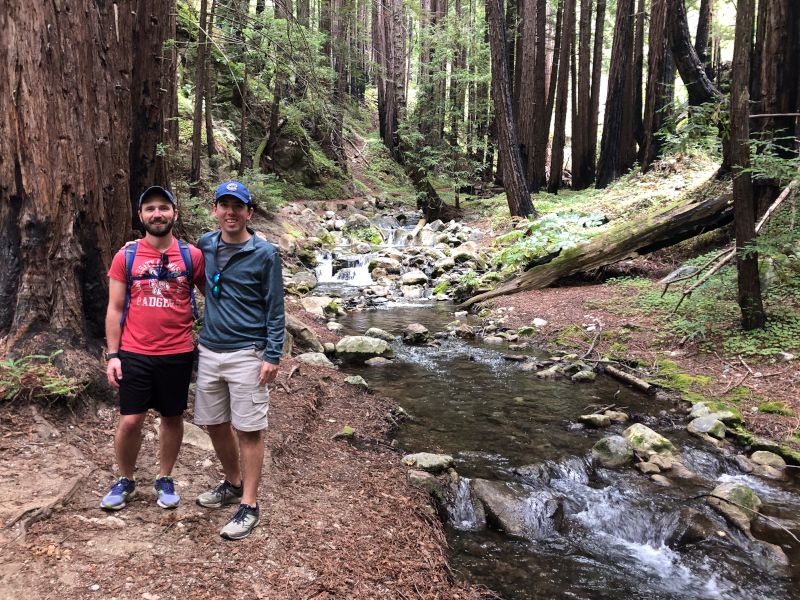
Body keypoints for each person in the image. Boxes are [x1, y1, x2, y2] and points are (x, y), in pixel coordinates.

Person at [101, 186, 204, 511]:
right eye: (150, 209)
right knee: (131, 420)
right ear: (141, 216)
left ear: (174, 213)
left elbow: (215, 293)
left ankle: (164, 477)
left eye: (163, 207)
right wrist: (113, 355)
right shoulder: (126, 256)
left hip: (177, 353)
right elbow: (115, 309)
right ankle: (126, 479)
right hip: (134, 352)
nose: (157, 214)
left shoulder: (192, 256)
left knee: (172, 418)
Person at [194, 181, 285, 540]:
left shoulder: (265, 253)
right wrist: (134, 246)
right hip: (210, 349)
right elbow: (172, 254)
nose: (230, 212)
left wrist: (272, 355)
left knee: (248, 429)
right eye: (224, 205)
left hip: (248, 351)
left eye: (238, 206)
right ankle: (232, 482)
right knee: (215, 423)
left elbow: (275, 309)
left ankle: (249, 503)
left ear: (249, 212)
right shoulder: (205, 244)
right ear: (215, 210)